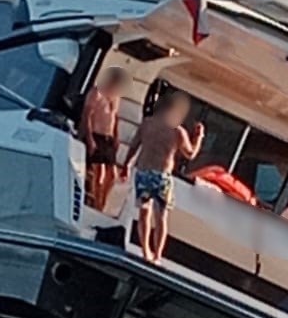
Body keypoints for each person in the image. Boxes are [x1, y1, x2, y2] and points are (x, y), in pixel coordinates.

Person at [124, 90, 204, 263]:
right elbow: (190, 154)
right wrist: (198, 138)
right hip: (162, 176)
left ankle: (146, 250)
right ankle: (157, 255)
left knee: (144, 213)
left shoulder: (147, 123)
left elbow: (134, 146)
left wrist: (126, 165)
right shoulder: (177, 131)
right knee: (161, 218)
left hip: (143, 172)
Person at [79, 67, 130, 210]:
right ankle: (95, 203)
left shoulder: (116, 96)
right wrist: (89, 138)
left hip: (108, 137)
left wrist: (116, 136)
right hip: (96, 135)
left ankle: (102, 202)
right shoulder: (97, 92)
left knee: (112, 176)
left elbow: (115, 117)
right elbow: (87, 115)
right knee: (99, 173)